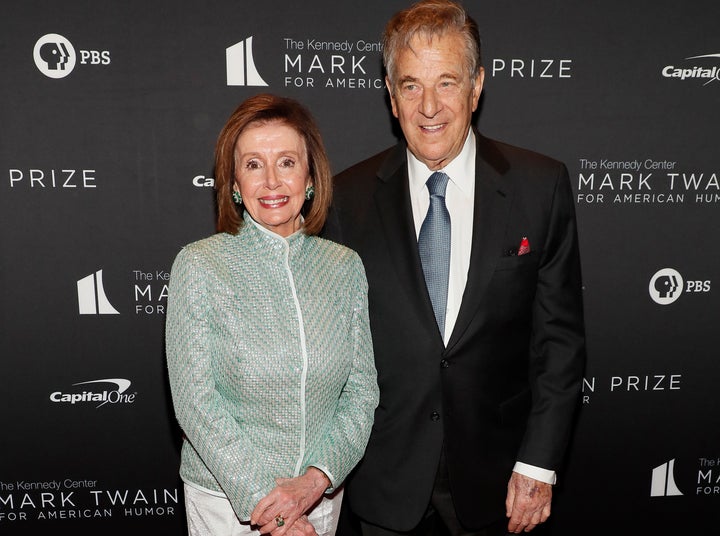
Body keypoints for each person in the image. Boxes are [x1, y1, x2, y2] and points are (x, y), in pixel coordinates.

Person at [324, 1, 585, 535]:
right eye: (411, 85)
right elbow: (328, 350)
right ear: (391, 97)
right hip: (384, 481)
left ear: (477, 85)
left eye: (446, 82)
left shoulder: (540, 186)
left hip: (503, 483)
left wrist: (537, 465)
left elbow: (559, 342)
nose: (429, 106)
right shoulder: (345, 199)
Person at [166, 93, 379, 536]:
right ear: (234, 185)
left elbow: (361, 393)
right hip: (228, 504)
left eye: (285, 162)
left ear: (310, 177)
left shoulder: (343, 267)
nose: (271, 181)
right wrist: (275, 509)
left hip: (319, 499)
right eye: (252, 164)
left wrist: (316, 481)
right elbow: (195, 402)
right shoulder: (200, 264)